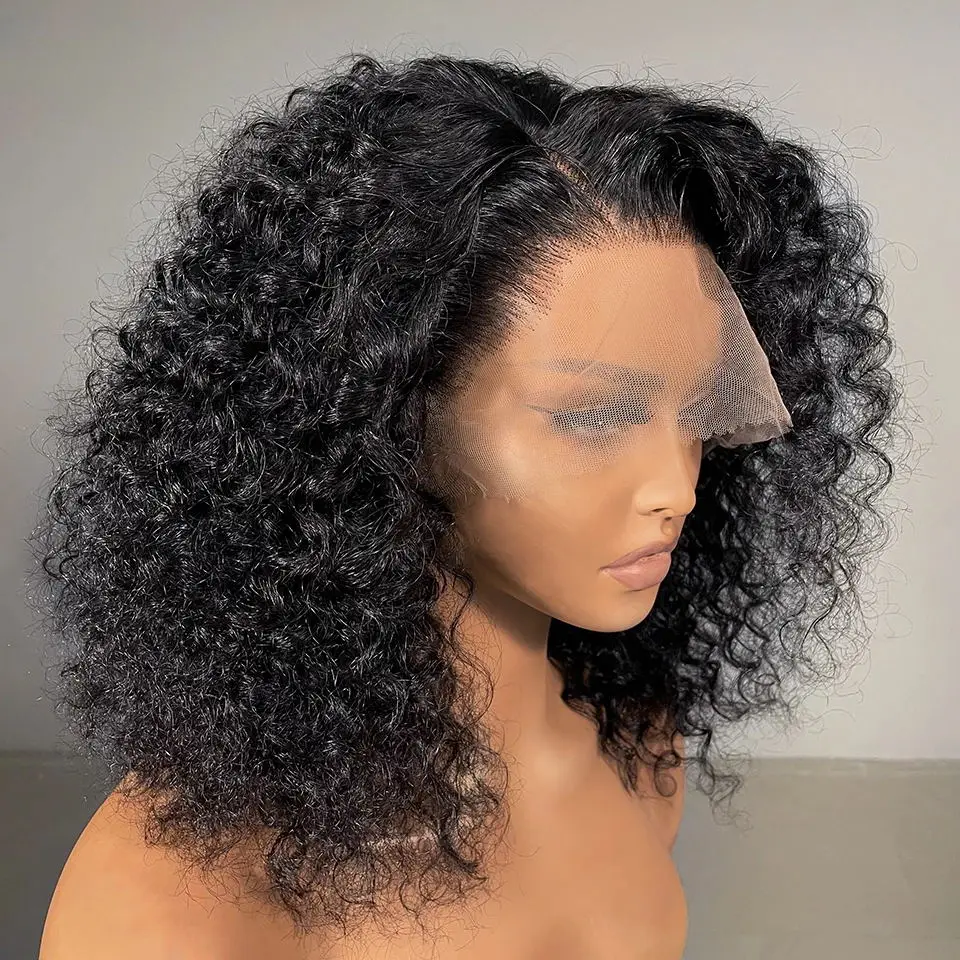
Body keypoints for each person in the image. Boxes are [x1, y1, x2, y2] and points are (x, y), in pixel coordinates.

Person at [27, 52, 912, 959]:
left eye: (696, 410)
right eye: (591, 416)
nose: (677, 486)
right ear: (386, 414)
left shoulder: (637, 749)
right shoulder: (189, 893)